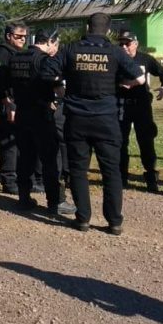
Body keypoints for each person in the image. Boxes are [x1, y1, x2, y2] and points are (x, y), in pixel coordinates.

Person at [42, 13, 144, 235]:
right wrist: (121, 83)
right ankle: (114, 222)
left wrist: (62, 85)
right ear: (109, 31)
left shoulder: (70, 49)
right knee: (111, 171)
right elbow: (140, 78)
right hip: (107, 119)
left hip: (77, 119)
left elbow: (46, 72)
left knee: (78, 170)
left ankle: (83, 219)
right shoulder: (115, 51)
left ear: (87, 27)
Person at [7, 29, 76, 216]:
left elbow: (9, 86)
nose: (56, 49)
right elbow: (59, 89)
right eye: (56, 45)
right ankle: (56, 202)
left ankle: (24, 198)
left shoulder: (16, 58)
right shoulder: (44, 61)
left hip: (22, 113)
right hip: (41, 114)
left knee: (25, 158)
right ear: (50, 42)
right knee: (50, 159)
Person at [115, 30, 163, 192]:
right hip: (122, 105)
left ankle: (151, 177)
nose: (124, 47)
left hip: (142, 106)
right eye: (121, 44)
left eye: (127, 43)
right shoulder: (116, 59)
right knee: (120, 141)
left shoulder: (145, 59)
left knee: (146, 141)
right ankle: (121, 177)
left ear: (136, 44)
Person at [0, 22, 28, 194]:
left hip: (17, 103)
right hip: (5, 104)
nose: (22, 39)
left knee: (18, 141)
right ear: (9, 36)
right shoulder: (0, 53)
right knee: (8, 142)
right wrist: (7, 102)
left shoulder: (17, 52)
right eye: (19, 36)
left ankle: (18, 177)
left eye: (25, 36)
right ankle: (9, 181)